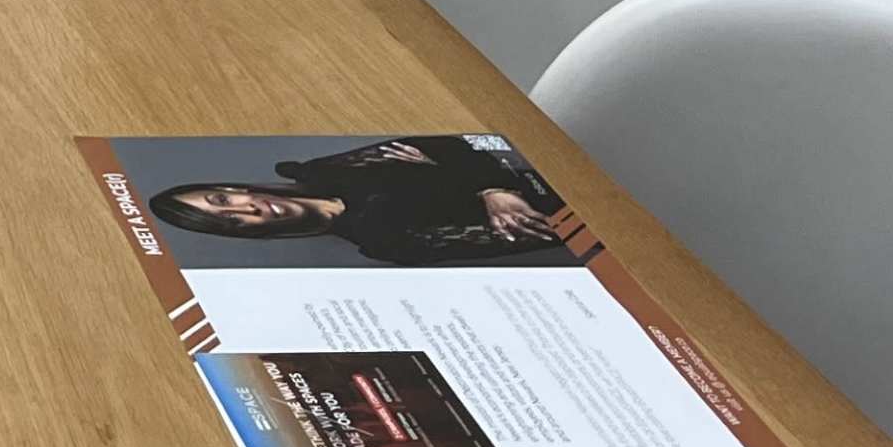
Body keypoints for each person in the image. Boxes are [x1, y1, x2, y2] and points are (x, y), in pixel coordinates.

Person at [143, 136, 573, 267]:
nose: (245, 209)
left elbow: (447, 141)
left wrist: (492, 191)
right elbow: (534, 231)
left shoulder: (322, 171)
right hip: (573, 197)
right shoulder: (385, 242)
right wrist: (464, 177)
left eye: (222, 199)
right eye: (232, 222)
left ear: (231, 186)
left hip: (546, 147)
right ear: (249, 234)